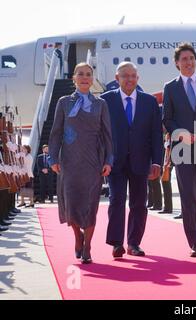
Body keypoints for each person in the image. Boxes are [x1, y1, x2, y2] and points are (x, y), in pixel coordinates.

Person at [48, 62, 113, 264]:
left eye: (88, 74)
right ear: (74, 78)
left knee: (91, 205)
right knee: (72, 203)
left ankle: (87, 247)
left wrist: (108, 160)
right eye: (81, 74)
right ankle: (78, 237)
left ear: (92, 80)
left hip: (93, 161)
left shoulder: (100, 104)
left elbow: (107, 135)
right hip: (69, 161)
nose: (85, 77)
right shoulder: (63, 102)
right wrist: (52, 158)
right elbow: (56, 132)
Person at [101, 62, 163, 258]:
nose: (129, 79)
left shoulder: (149, 102)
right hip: (114, 162)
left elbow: (156, 135)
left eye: (133, 75)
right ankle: (117, 243)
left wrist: (157, 162)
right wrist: (103, 159)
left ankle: (134, 243)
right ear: (117, 78)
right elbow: (100, 133)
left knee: (139, 204)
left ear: (138, 78)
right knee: (116, 200)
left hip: (141, 161)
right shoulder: (105, 100)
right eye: (125, 75)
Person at [162, 43, 196, 257]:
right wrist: (180, 133)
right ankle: (195, 240)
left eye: (191, 58)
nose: (188, 62)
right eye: (184, 59)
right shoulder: (170, 87)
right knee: (188, 194)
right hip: (182, 147)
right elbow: (167, 118)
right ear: (177, 63)